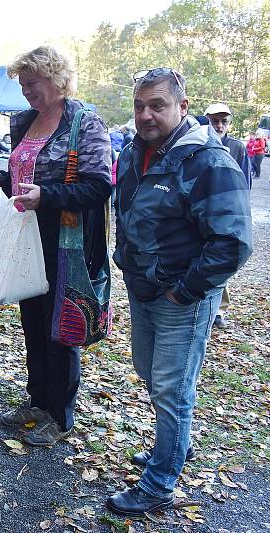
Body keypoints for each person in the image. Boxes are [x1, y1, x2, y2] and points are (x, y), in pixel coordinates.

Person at [108, 68, 252, 517]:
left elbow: (233, 242)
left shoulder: (207, 161)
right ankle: (174, 447)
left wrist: (184, 292)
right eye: (138, 106)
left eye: (157, 105)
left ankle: (159, 484)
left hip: (180, 298)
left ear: (182, 107)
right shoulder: (137, 151)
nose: (145, 115)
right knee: (149, 372)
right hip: (142, 287)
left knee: (172, 389)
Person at [0, 46, 112, 446]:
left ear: (56, 79)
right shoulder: (25, 121)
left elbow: (99, 184)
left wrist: (47, 197)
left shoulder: (84, 123)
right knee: (33, 324)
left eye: (31, 84)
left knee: (61, 330)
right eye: (22, 86)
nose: (26, 92)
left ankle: (61, 414)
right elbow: (20, 172)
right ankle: (37, 401)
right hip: (25, 237)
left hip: (65, 244)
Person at [204, 102, 251, 329]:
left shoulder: (237, 147)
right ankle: (206, 307)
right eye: (214, 121)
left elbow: (245, 180)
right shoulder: (199, 143)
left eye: (224, 121)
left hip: (227, 212)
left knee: (222, 260)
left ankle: (219, 311)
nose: (219, 125)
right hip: (204, 213)